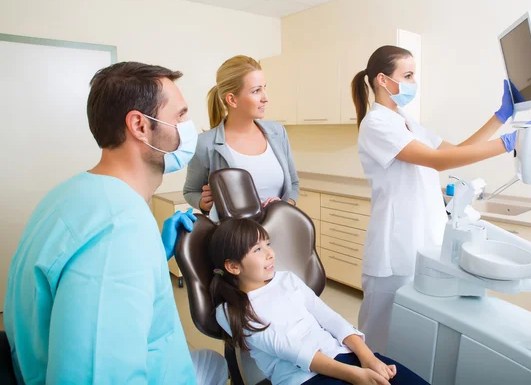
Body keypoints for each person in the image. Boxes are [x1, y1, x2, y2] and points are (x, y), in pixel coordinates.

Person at [3, 62, 228, 384]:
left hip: (32, 359)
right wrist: (132, 250)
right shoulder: (120, 230)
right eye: (180, 115)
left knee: (211, 362)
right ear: (139, 125)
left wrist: (152, 255)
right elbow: (94, 375)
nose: (188, 127)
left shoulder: (72, 192)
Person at [350, 45, 531, 353]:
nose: (414, 81)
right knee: (380, 337)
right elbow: (438, 162)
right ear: (382, 80)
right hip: (394, 245)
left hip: (422, 240)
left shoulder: (407, 122)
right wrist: (511, 142)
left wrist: (500, 118)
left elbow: (455, 152)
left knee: (410, 336)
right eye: (408, 75)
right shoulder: (376, 124)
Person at [209, 218, 428, 385]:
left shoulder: (287, 279)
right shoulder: (230, 310)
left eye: (268, 244)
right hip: (303, 378)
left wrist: (367, 357)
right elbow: (291, 350)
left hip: (342, 355)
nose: (270, 254)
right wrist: (355, 375)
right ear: (233, 266)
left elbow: (330, 317)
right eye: (257, 249)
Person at [183, 55, 299, 217]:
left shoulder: (278, 133)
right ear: (232, 99)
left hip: (279, 236)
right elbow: (190, 192)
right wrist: (204, 203)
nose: (265, 98)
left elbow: (293, 184)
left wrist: (282, 208)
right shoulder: (205, 144)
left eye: (264, 88)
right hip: (235, 239)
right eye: (256, 91)